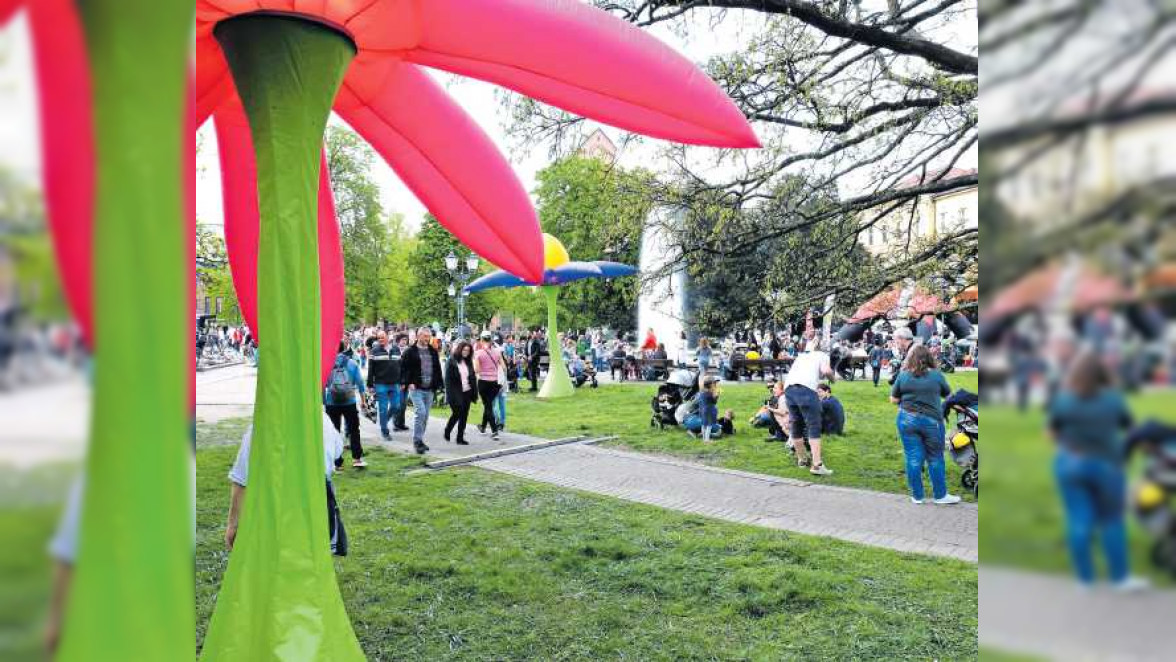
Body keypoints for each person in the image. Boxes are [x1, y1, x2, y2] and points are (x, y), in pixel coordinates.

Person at [1048, 351, 1145, 590]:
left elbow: (1052, 432)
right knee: (1112, 520)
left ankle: (1084, 579)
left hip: (1070, 462)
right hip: (1107, 464)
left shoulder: (1064, 400)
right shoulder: (1113, 399)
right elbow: (1130, 428)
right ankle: (1119, 578)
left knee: (1078, 520)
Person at [226, 413, 346, 551]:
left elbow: (241, 480)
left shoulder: (264, 424)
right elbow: (337, 451)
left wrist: (233, 525)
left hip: (276, 516)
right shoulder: (321, 418)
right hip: (317, 512)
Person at [890, 345, 960, 505]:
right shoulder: (936, 376)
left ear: (910, 358)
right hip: (932, 421)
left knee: (913, 458)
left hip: (907, 419)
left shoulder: (903, 375)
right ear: (929, 358)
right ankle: (940, 495)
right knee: (935, 457)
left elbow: (893, 399)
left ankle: (917, 496)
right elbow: (949, 396)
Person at [783, 337, 835, 476]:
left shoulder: (802, 356)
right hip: (806, 389)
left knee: (796, 423)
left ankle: (802, 460)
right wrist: (833, 379)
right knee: (814, 425)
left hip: (789, 388)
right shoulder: (822, 355)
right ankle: (817, 465)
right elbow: (826, 371)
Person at [324, 341, 368, 469]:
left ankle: (337, 463)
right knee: (354, 430)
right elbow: (360, 383)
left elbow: (323, 384)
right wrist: (363, 401)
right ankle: (357, 459)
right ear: (345, 348)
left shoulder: (326, 364)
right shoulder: (352, 363)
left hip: (332, 401)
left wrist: (323, 400)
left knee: (334, 431)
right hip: (349, 401)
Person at [401, 326, 443, 454]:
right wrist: (407, 383)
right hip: (416, 387)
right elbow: (403, 368)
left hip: (429, 388)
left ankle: (420, 440)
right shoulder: (410, 351)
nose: (427, 339)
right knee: (421, 412)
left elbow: (437, 369)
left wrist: (440, 384)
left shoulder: (433, 351)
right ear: (419, 336)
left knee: (425, 416)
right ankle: (417, 441)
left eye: (428, 337)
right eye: (425, 336)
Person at [366, 331, 402, 441]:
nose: (380, 339)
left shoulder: (396, 349)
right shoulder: (374, 351)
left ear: (387, 337)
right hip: (380, 384)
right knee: (382, 408)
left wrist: (402, 381)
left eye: (382, 337)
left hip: (395, 383)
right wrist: (370, 385)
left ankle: (384, 421)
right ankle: (385, 431)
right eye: (379, 338)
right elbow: (370, 369)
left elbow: (401, 366)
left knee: (396, 406)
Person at [443, 340, 477, 445]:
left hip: (467, 391)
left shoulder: (468, 361)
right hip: (455, 392)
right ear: (460, 349)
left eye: (468, 350)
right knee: (457, 412)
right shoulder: (451, 361)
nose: (466, 352)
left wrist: (474, 392)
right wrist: (450, 395)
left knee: (464, 415)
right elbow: (448, 381)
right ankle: (448, 429)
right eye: (464, 350)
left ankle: (460, 437)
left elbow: (472, 377)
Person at [474, 331, 505, 440]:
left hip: (483, 381)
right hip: (495, 383)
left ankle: (494, 430)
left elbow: (477, 369)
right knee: (488, 405)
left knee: (488, 406)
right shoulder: (497, 352)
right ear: (491, 340)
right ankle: (482, 426)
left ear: (482, 340)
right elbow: (504, 367)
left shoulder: (478, 353)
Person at [685, 376, 722, 442]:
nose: (715, 385)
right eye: (714, 384)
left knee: (703, 424)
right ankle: (707, 440)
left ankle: (704, 439)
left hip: (703, 411)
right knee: (709, 426)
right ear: (710, 385)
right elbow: (714, 402)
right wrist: (717, 396)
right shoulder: (709, 394)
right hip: (709, 411)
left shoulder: (702, 393)